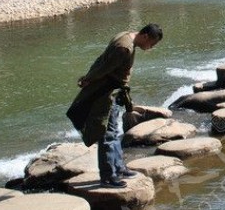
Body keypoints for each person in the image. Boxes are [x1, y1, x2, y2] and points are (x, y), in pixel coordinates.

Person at [65, 24, 163, 188]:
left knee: (114, 131)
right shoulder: (124, 48)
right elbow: (104, 68)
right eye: (152, 44)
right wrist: (88, 78)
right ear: (145, 36)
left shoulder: (125, 35)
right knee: (107, 134)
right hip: (105, 94)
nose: (151, 48)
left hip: (114, 93)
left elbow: (103, 62)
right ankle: (109, 177)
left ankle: (118, 167)